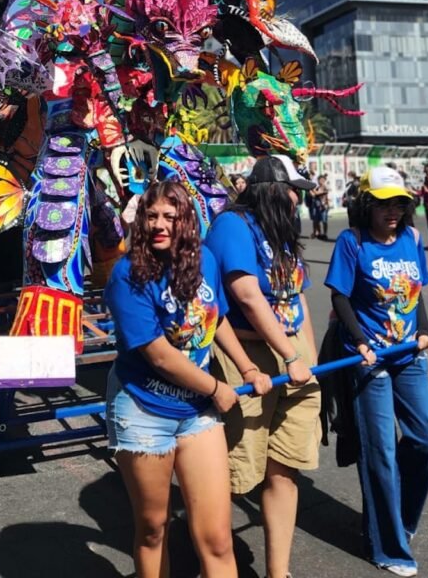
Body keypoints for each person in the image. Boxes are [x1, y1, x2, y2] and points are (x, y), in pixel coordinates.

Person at [104, 180, 271, 578]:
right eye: (151, 216)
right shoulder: (127, 275)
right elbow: (160, 355)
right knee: (153, 528)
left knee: (217, 538)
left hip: (196, 411)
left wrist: (247, 367)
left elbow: (216, 318)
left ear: (188, 222)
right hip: (144, 410)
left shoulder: (205, 259)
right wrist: (216, 388)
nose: (159, 225)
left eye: (170, 216)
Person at [205, 155, 321, 578]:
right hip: (248, 354)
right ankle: (216, 565)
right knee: (237, 469)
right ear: (272, 190)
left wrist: (308, 357)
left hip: (292, 353)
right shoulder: (233, 225)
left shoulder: (282, 231)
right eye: (293, 191)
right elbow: (247, 295)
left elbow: (298, 296)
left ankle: (279, 571)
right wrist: (290, 356)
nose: (298, 200)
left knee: (284, 466)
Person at [325, 166, 428, 577]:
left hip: (409, 355)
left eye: (398, 203)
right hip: (368, 360)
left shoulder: (411, 238)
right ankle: (388, 548)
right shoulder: (352, 241)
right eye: (382, 203)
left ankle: (398, 519)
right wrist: (360, 343)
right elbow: (340, 297)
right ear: (366, 205)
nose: (392, 210)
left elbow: (416, 293)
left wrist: (424, 330)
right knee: (380, 452)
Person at [311, 174, 330, 240]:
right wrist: (320, 192)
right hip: (317, 206)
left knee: (324, 221)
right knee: (316, 220)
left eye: (323, 180)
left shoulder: (325, 186)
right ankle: (319, 233)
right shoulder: (317, 187)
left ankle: (325, 234)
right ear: (318, 180)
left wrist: (319, 192)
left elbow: (327, 191)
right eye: (320, 180)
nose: (321, 181)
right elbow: (314, 194)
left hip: (324, 206)